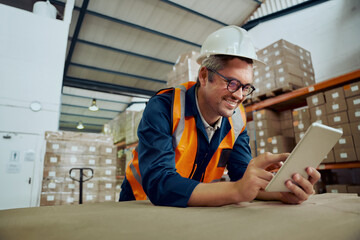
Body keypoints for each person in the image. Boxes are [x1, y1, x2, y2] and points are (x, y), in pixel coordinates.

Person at [119, 25, 320, 207]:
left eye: (246, 87)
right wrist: (236, 190)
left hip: (190, 208)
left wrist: (280, 192)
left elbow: (242, 175)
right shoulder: (164, 108)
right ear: (204, 76)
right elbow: (160, 184)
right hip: (140, 206)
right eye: (232, 83)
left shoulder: (237, 118)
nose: (240, 95)